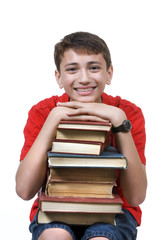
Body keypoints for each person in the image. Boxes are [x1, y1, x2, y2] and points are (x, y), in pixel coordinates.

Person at [15, 32, 147, 240]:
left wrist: (120, 124)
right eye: (72, 69)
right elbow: (24, 190)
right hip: (56, 208)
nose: (84, 79)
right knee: (55, 236)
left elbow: (136, 196)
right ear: (59, 77)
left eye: (94, 67)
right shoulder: (43, 111)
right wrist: (51, 122)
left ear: (109, 73)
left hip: (115, 212)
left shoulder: (127, 113)